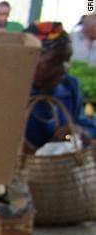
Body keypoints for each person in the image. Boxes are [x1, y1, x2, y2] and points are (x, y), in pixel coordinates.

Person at [25, 22, 96, 150]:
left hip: (59, 166)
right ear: (30, 60)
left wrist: (80, 131)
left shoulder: (70, 86)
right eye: (54, 61)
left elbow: (87, 125)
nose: (65, 68)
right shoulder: (12, 89)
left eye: (67, 60)